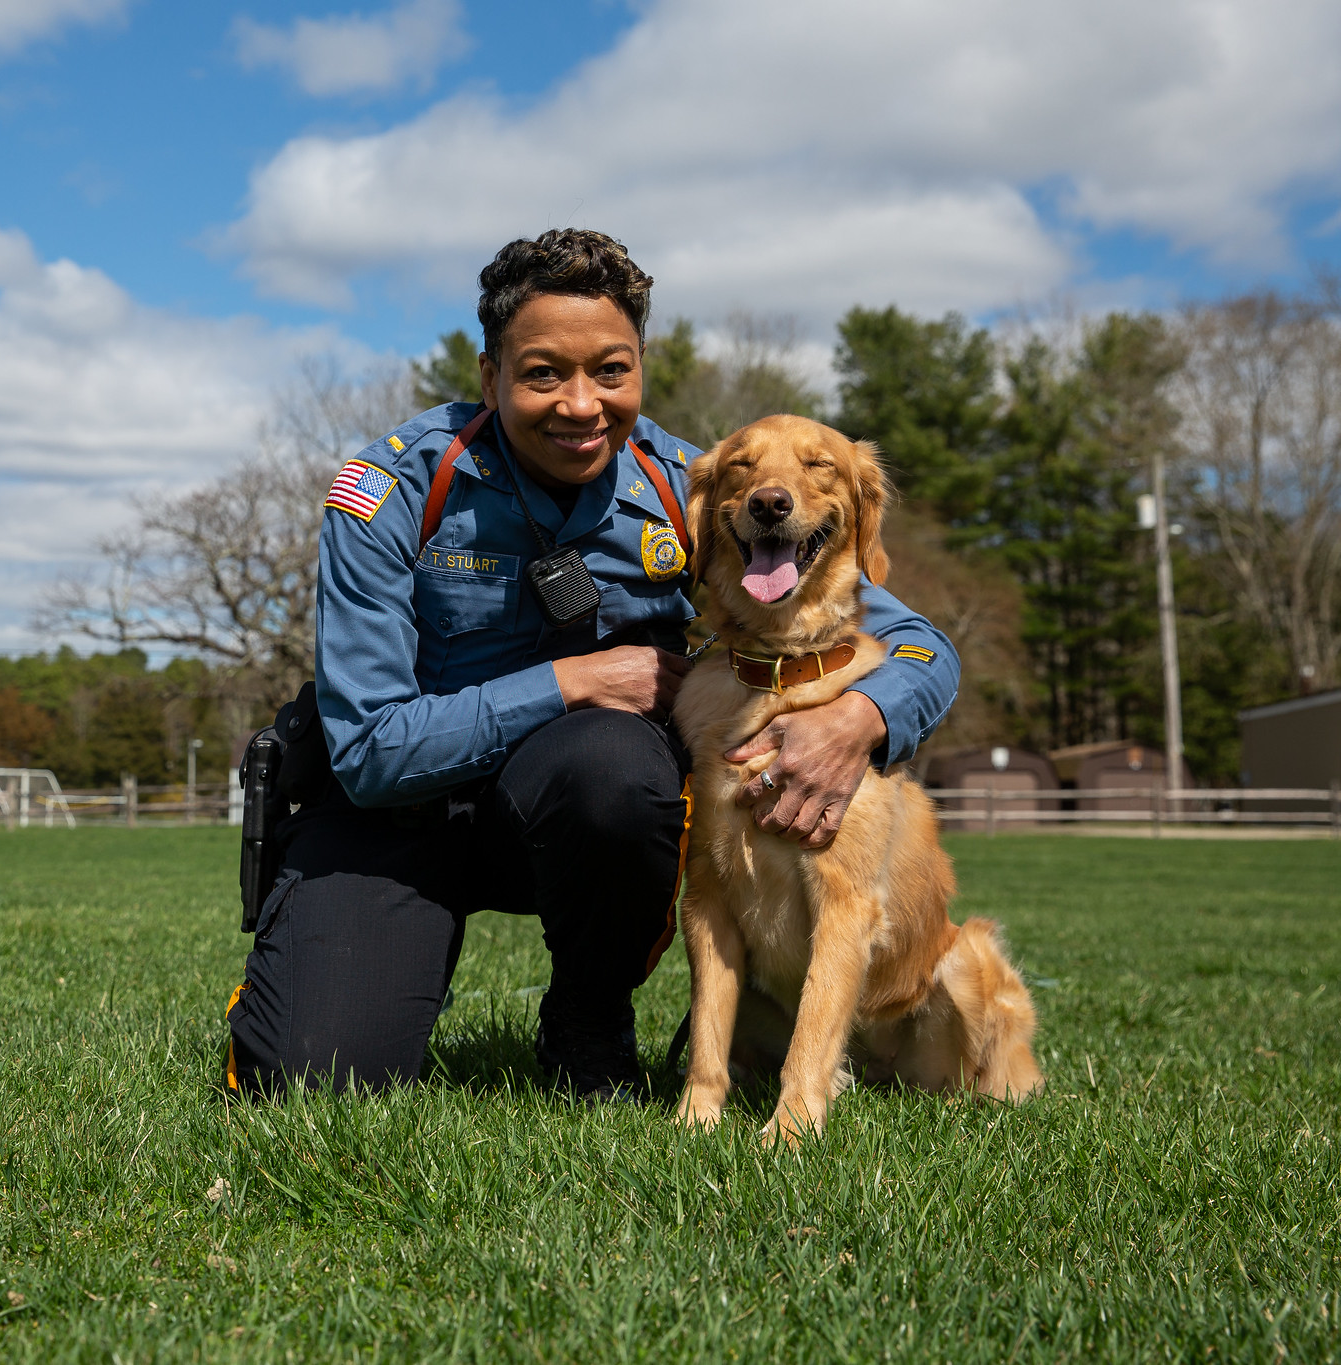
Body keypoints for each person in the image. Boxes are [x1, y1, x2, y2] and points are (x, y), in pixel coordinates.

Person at [224, 229, 959, 1102]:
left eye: (611, 370)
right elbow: (371, 752)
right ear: (490, 374)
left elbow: (919, 645)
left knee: (618, 765)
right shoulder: (391, 491)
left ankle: (588, 1012)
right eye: (543, 374)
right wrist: (575, 681)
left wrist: (861, 718)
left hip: (579, 813)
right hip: (396, 814)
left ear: (640, 364)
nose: (582, 404)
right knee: (311, 1082)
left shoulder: (695, 485)